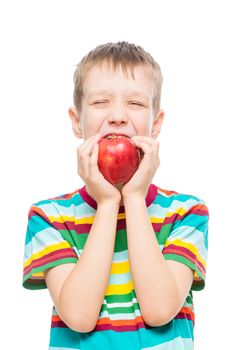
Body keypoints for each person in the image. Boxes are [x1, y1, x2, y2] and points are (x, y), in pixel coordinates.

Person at [22, 41, 209, 350]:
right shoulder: (50, 217)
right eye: (100, 102)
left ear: (155, 124)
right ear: (76, 121)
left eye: (135, 103)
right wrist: (108, 203)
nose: (118, 116)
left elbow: (160, 310)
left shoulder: (186, 213)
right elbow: (79, 316)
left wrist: (134, 199)